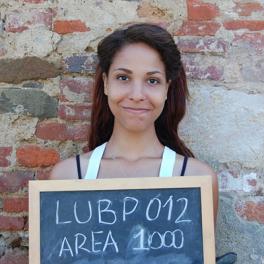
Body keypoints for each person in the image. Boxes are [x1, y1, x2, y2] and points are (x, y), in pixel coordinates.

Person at [50, 23, 236, 263]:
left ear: (167, 88)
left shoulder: (195, 179)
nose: (137, 94)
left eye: (152, 81)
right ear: (106, 83)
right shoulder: (67, 178)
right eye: (123, 77)